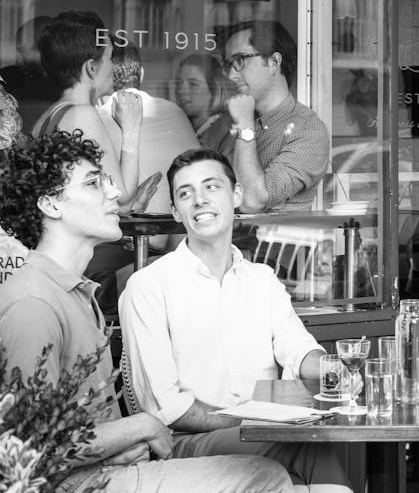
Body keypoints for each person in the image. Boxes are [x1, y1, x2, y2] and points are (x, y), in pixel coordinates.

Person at [0, 131, 294, 493]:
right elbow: (26, 449)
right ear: (51, 204)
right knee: (263, 475)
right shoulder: (33, 303)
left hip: (102, 472)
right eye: (93, 183)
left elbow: (69, 430)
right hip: (76, 486)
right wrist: (139, 426)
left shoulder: (75, 293)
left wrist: (119, 448)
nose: (114, 192)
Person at [118, 148, 351, 493]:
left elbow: (299, 350)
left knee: (318, 444)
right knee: (305, 443)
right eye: (185, 193)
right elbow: (167, 408)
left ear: (236, 195)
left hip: (263, 433)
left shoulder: (262, 279)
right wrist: (253, 420)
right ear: (176, 211)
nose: (199, 200)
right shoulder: (148, 287)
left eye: (211, 187)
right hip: (185, 444)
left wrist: (334, 370)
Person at [31, 12, 160, 313]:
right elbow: (122, 195)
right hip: (81, 257)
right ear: (91, 67)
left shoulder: (50, 114)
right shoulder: (82, 114)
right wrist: (131, 128)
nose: (114, 68)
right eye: (110, 58)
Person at [202, 21, 330, 212]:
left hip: (272, 233)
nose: (230, 75)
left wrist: (245, 126)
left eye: (240, 60)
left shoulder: (309, 130)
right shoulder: (227, 121)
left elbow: (252, 201)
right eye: (228, 65)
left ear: (274, 62)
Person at [99, 43, 200, 216]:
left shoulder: (96, 119)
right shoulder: (174, 110)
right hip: (184, 222)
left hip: (132, 226)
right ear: (142, 73)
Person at [175, 53, 229, 142]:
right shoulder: (181, 130)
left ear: (215, 90)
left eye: (193, 84)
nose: (181, 91)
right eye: (178, 83)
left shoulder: (224, 134)